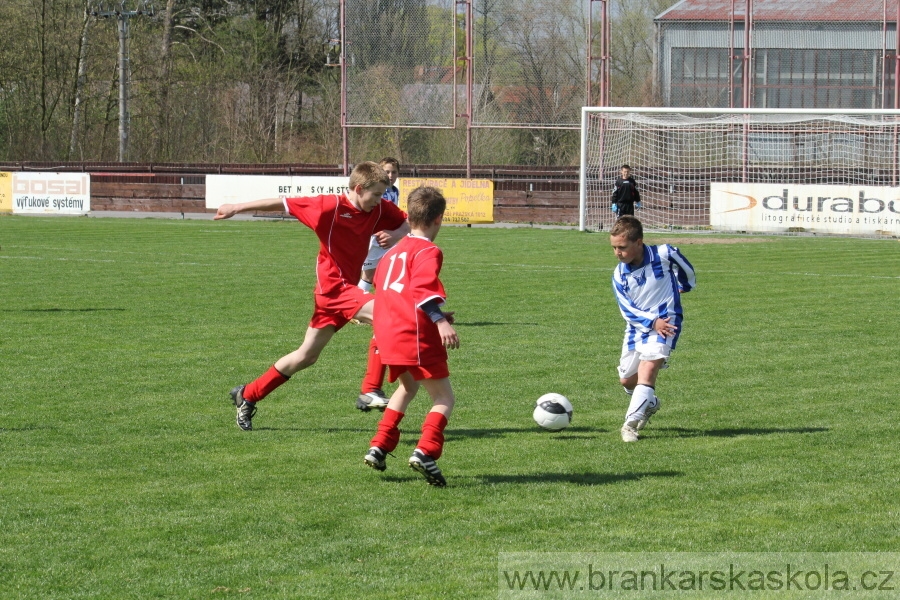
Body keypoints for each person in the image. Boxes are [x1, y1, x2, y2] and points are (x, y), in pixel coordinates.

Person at [214, 161, 409, 431]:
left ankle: (247, 394)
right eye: (376, 194)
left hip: (344, 292)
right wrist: (236, 207)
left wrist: (396, 233)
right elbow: (282, 203)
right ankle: (370, 389)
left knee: (306, 356)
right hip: (333, 289)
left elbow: (406, 223)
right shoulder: (328, 206)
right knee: (387, 315)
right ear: (359, 188)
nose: (380, 201)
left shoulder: (377, 209)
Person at [363, 186, 459, 486]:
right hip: (413, 335)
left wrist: (438, 315)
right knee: (443, 397)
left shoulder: (392, 253)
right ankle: (426, 451)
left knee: (407, 388)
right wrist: (439, 322)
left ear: (408, 215)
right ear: (439, 219)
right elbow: (422, 289)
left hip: (387, 334)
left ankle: (379, 445)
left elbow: (390, 291)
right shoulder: (429, 250)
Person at [609, 215, 695, 442]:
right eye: (614, 248)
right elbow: (627, 310)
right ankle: (650, 403)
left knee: (648, 370)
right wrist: (650, 321)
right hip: (637, 328)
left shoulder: (665, 253)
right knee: (627, 380)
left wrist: (684, 286)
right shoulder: (619, 274)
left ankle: (629, 425)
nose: (617, 253)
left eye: (622, 247)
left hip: (666, 324)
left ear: (638, 242)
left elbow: (687, 270)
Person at [355, 158, 401, 412]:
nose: (391, 176)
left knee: (305, 355)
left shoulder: (392, 193)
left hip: (388, 241)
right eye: (387, 172)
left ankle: (371, 388)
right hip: (376, 240)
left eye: (394, 172)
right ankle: (370, 388)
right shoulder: (351, 205)